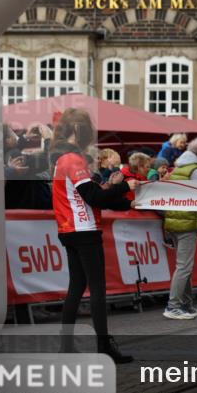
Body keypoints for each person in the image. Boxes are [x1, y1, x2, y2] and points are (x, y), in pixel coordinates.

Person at [50, 108, 139, 363]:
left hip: (70, 230)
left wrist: (125, 202)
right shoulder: (72, 159)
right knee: (97, 288)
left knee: (76, 287)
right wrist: (124, 187)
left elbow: (94, 195)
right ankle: (103, 346)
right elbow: (94, 197)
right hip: (83, 230)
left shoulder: (62, 159)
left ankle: (66, 346)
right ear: (79, 130)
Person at [162, 136, 197, 320]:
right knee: (184, 266)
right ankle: (173, 306)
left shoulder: (180, 167)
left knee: (185, 266)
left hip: (176, 220)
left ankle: (186, 304)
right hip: (187, 221)